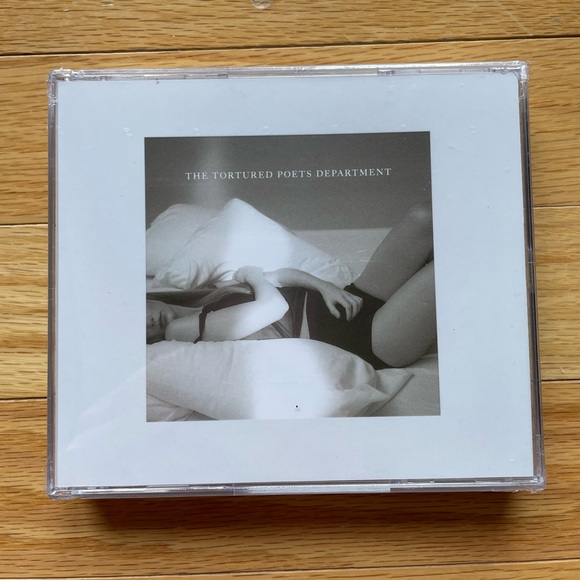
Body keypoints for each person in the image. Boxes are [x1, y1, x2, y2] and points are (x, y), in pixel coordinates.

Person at [147, 201, 436, 369]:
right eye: (140, 332)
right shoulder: (178, 332)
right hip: (367, 340)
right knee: (440, 272)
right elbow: (273, 307)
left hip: (354, 297)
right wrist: (253, 275)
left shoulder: (209, 299)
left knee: (424, 216)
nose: (147, 322)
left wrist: (326, 287)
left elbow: (282, 276)